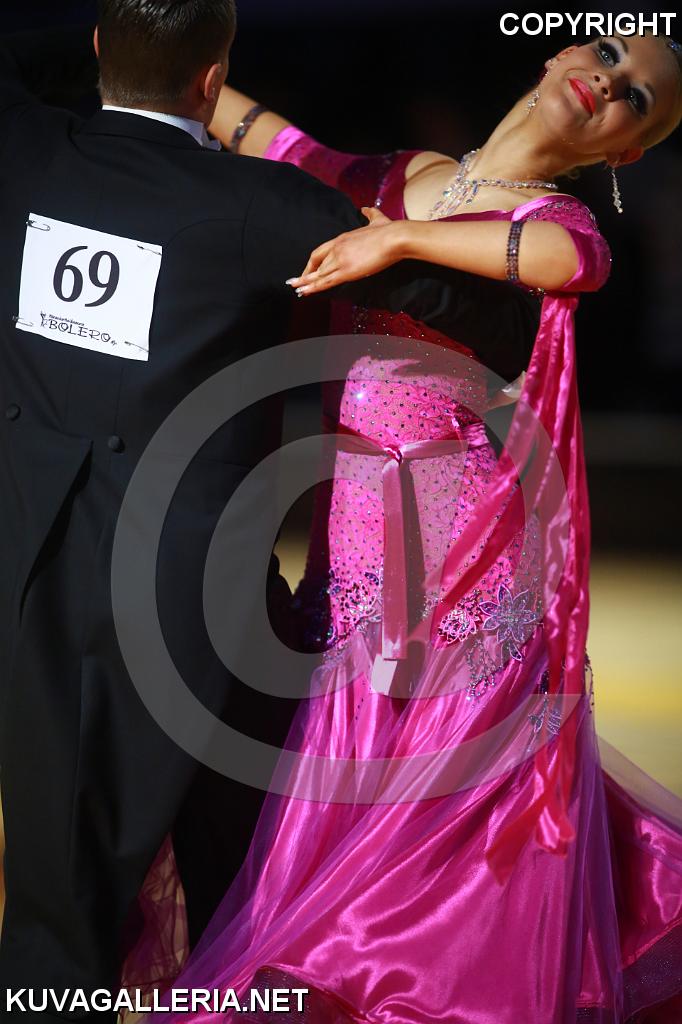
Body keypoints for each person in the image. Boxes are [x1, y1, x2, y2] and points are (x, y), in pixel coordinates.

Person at [0, 3, 546, 1012]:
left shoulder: (25, 148)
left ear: (98, 49)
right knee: (244, 869)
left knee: (57, 881)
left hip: (30, 556)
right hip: (200, 594)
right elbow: (466, 310)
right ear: (212, 81)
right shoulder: (257, 203)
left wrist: (102, 39)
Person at [134, 32, 682, 1023]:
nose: (609, 79)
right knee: (340, 810)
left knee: (420, 845)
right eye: (608, 53)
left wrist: (397, 241)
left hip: (459, 564)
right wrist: (165, 65)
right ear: (560, 55)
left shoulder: (555, 220)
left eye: (636, 99)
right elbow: (276, 141)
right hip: (351, 544)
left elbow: (574, 260)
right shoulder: (400, 175)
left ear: (623, 150)